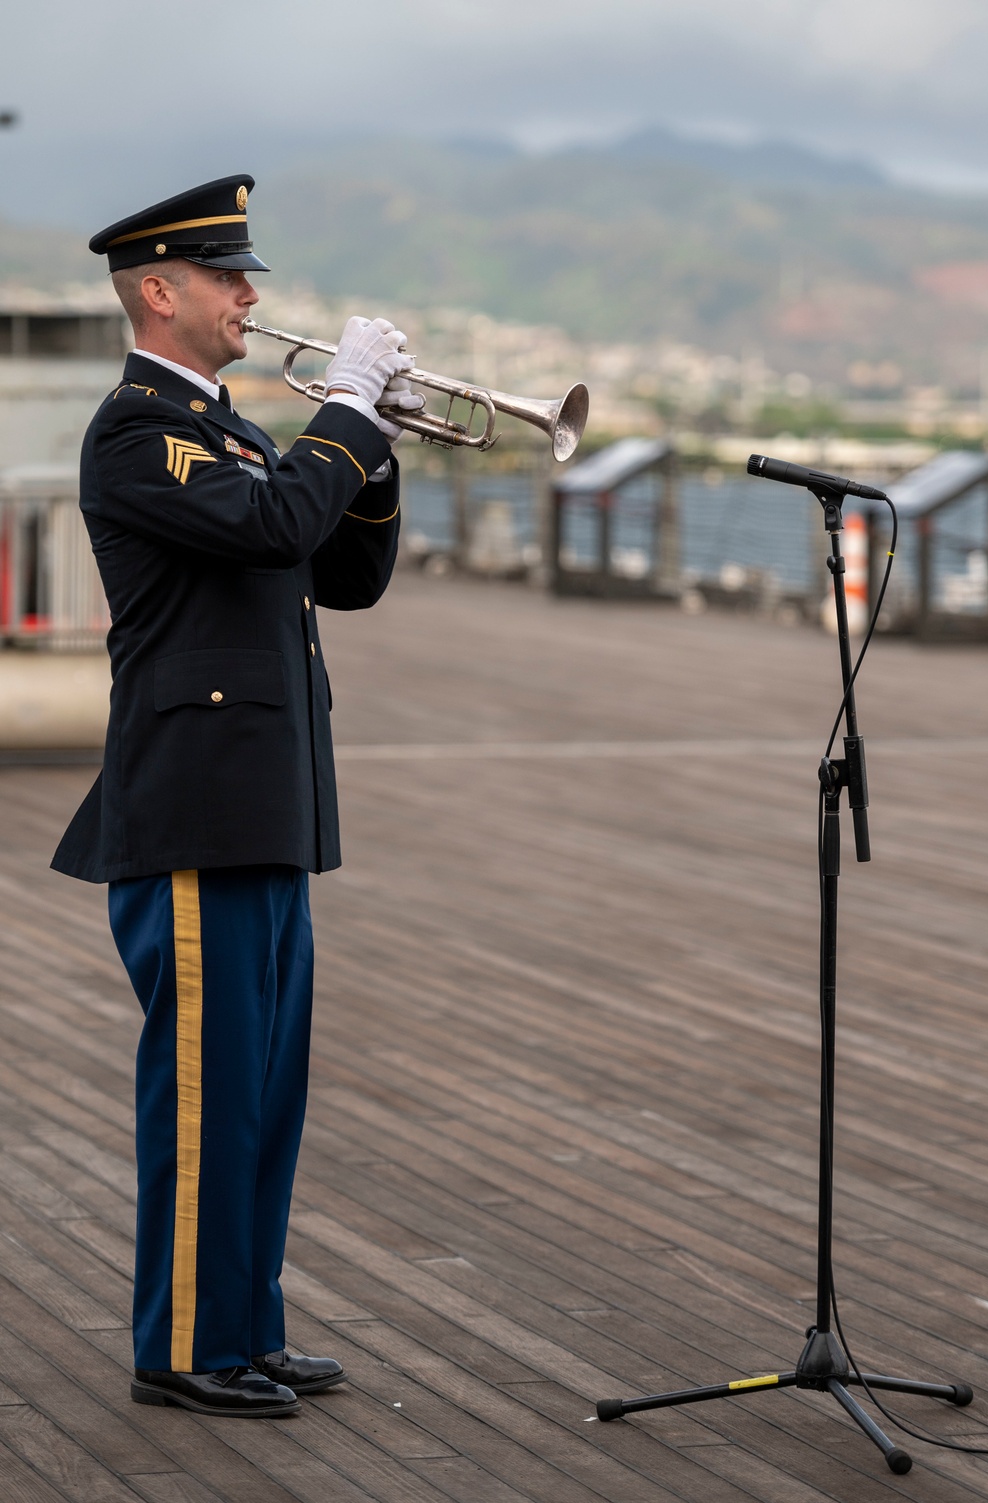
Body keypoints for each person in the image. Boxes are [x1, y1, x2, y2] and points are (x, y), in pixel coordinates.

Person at [51, 175, 422, 1418]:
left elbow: (346, 572)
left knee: (263, 1088)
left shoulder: (240, 431)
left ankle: (245, 1326)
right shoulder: (136, 432)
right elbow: (270, 530)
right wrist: (346, 418)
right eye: (227, 277)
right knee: (207, 1095)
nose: (250, 297)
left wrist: (375, 445)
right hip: (198, 808)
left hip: (262, 804)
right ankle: (185, 1348)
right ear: (162, 291)